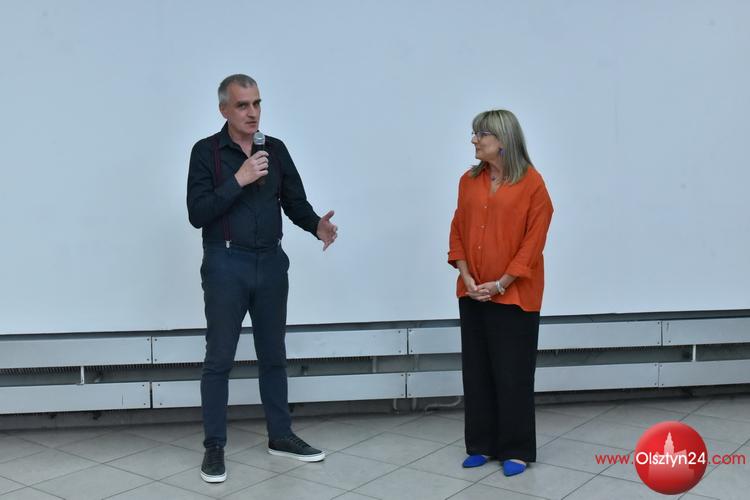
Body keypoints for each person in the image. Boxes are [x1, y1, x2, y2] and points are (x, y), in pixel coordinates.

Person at [187, 74, 338, 483]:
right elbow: (197, 213)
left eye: (256, 103)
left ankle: (280, 435)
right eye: (242, 105)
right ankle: (214, 447)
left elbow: (294, 201)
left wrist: (316, 225)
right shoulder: (205, 152)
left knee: (273, 354)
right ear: (224, 110)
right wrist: (239, 179)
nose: (252, 112)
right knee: (219, 358)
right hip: (225, 262)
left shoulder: (275, 149)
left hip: (271, 263)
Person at [448, 109, 553, 477]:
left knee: (513, 374)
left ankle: (516, 449)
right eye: (475, 133)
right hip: (473, 291)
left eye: (481, 134)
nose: (474, 140)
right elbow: (457, 229)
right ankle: (481, 445)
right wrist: (467, 276)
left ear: (503, 140)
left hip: (514, 295)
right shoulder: (468, 181)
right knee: (477, 371)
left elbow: (533, 242)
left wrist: (501, 283)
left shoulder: (533, 184)